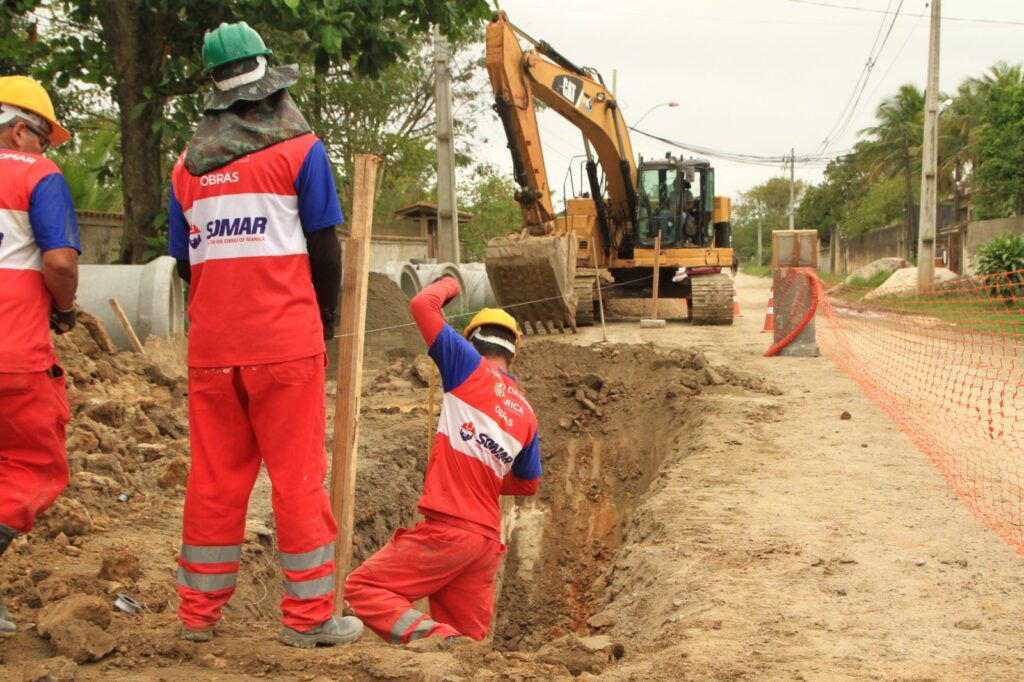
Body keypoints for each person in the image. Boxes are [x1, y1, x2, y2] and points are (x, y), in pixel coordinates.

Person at [167, 22, 360, 648]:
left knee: (215, 481)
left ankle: (197, 616)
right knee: (299, 478)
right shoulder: (301, 151)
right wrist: (325, 327)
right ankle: (308, 618)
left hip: (212, 353)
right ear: (268, 79)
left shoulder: (185, 169)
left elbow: (183, 263)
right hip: (285, 345)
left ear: (216, 91)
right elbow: (325, 251)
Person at [345, 278, 542, 645]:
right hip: (484, 545)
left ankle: (433, 638)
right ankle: (450, 645)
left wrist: (453, 282)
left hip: (448, 530)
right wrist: (486, 473)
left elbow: (423, 305)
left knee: (364, 587)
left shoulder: (466, 364)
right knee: (468, 645)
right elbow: (528, 484)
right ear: (514, 354)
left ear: (470, 342)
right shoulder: (527, 414)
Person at [0, 75, 79, 636]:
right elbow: (58, 264)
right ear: (21, 130)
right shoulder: (36, 175)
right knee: (33, 466)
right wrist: (66, 308)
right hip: (13, 355)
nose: (46, 149)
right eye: (44, 138)